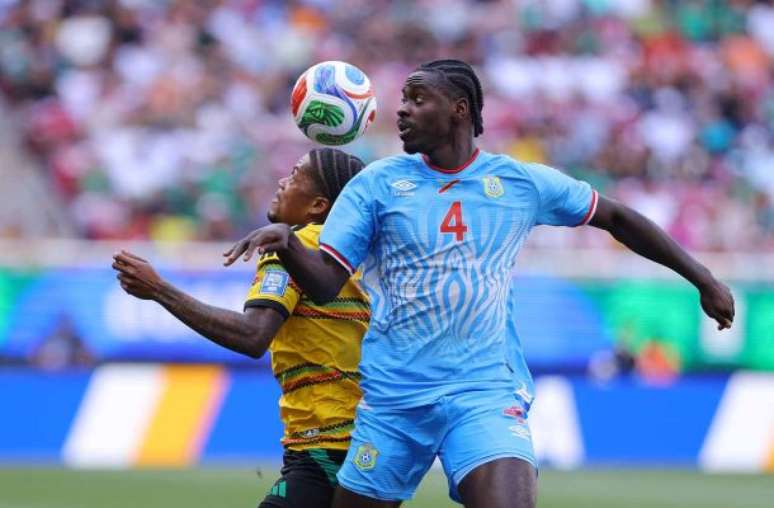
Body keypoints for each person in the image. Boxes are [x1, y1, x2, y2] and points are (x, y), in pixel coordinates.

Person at [223, 59, 735, 508]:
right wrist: (289, 244)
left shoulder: (519, 183)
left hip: (483, 392)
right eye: (403, 99)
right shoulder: (374, 186)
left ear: (459, 109)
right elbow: (326, 283)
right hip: (394, 399)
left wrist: (703, 278)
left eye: (417, 99)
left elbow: (617, 218)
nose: (401, 110)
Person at [112, 148, 368, 508]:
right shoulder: (356, 253)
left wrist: (158, 289)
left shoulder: (295, 247)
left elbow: (253, 335)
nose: (282, 181)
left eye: (295, 175)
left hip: (327, 443)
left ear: (317, 205)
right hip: (366, 439)